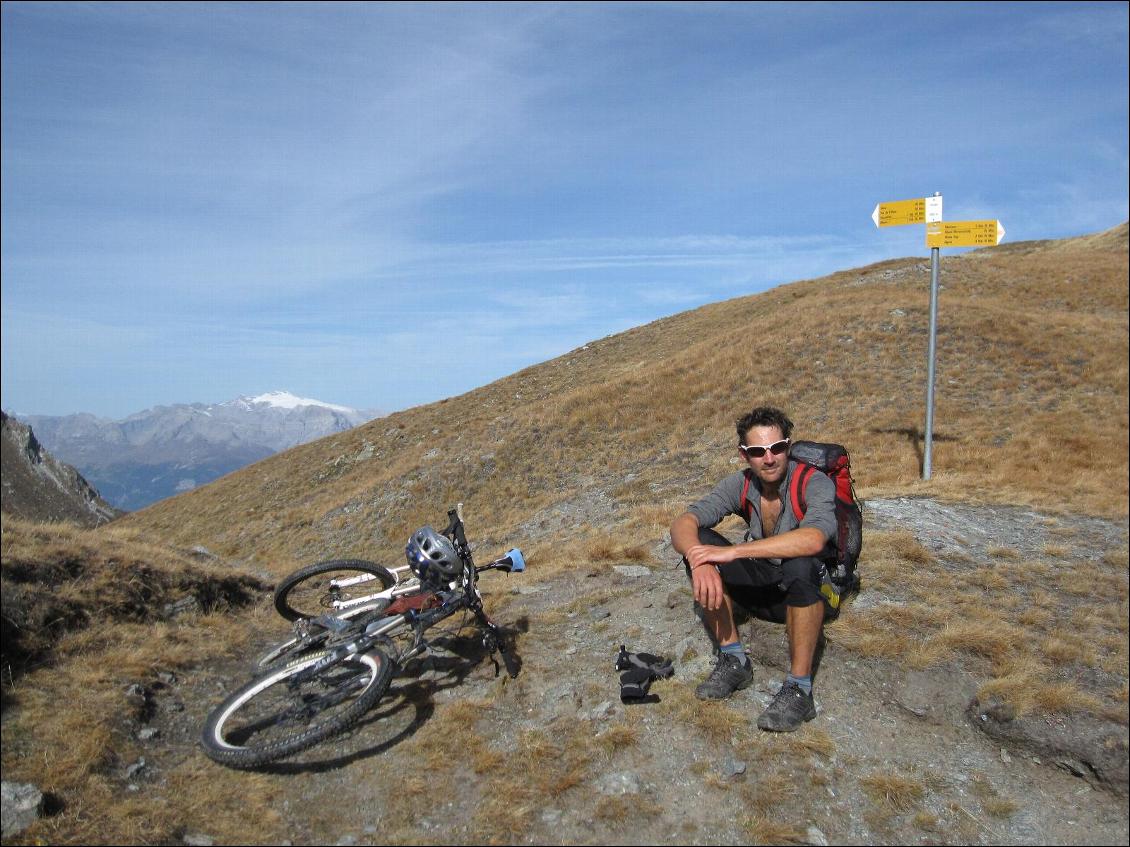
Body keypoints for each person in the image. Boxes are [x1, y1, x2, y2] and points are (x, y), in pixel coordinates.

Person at [669, 406, 838, 732]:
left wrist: (734, 552)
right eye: (758, 451)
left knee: (802, 563)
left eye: (777, 448)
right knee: (702, 542)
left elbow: (814, 539)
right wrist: (697, 557)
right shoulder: (742, 484)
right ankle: (734, 660)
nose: (769, 458)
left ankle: (799, 689)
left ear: (788, 446)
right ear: (744, 454)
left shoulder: (813, 483)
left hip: (808, 591)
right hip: (766, 585)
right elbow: (684, 522)